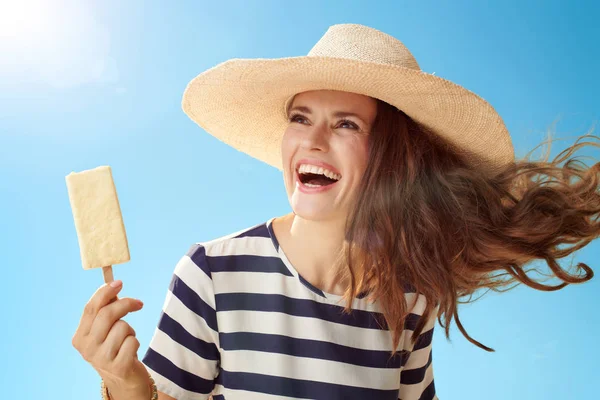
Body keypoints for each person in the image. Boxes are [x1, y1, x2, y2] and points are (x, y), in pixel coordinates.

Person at [71, 24, 600, 400]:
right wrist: (128, 388)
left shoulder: (411, 297)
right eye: (301, 118)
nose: (314, 140)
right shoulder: (212, 273)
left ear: (392, 159)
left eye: (347, 124)